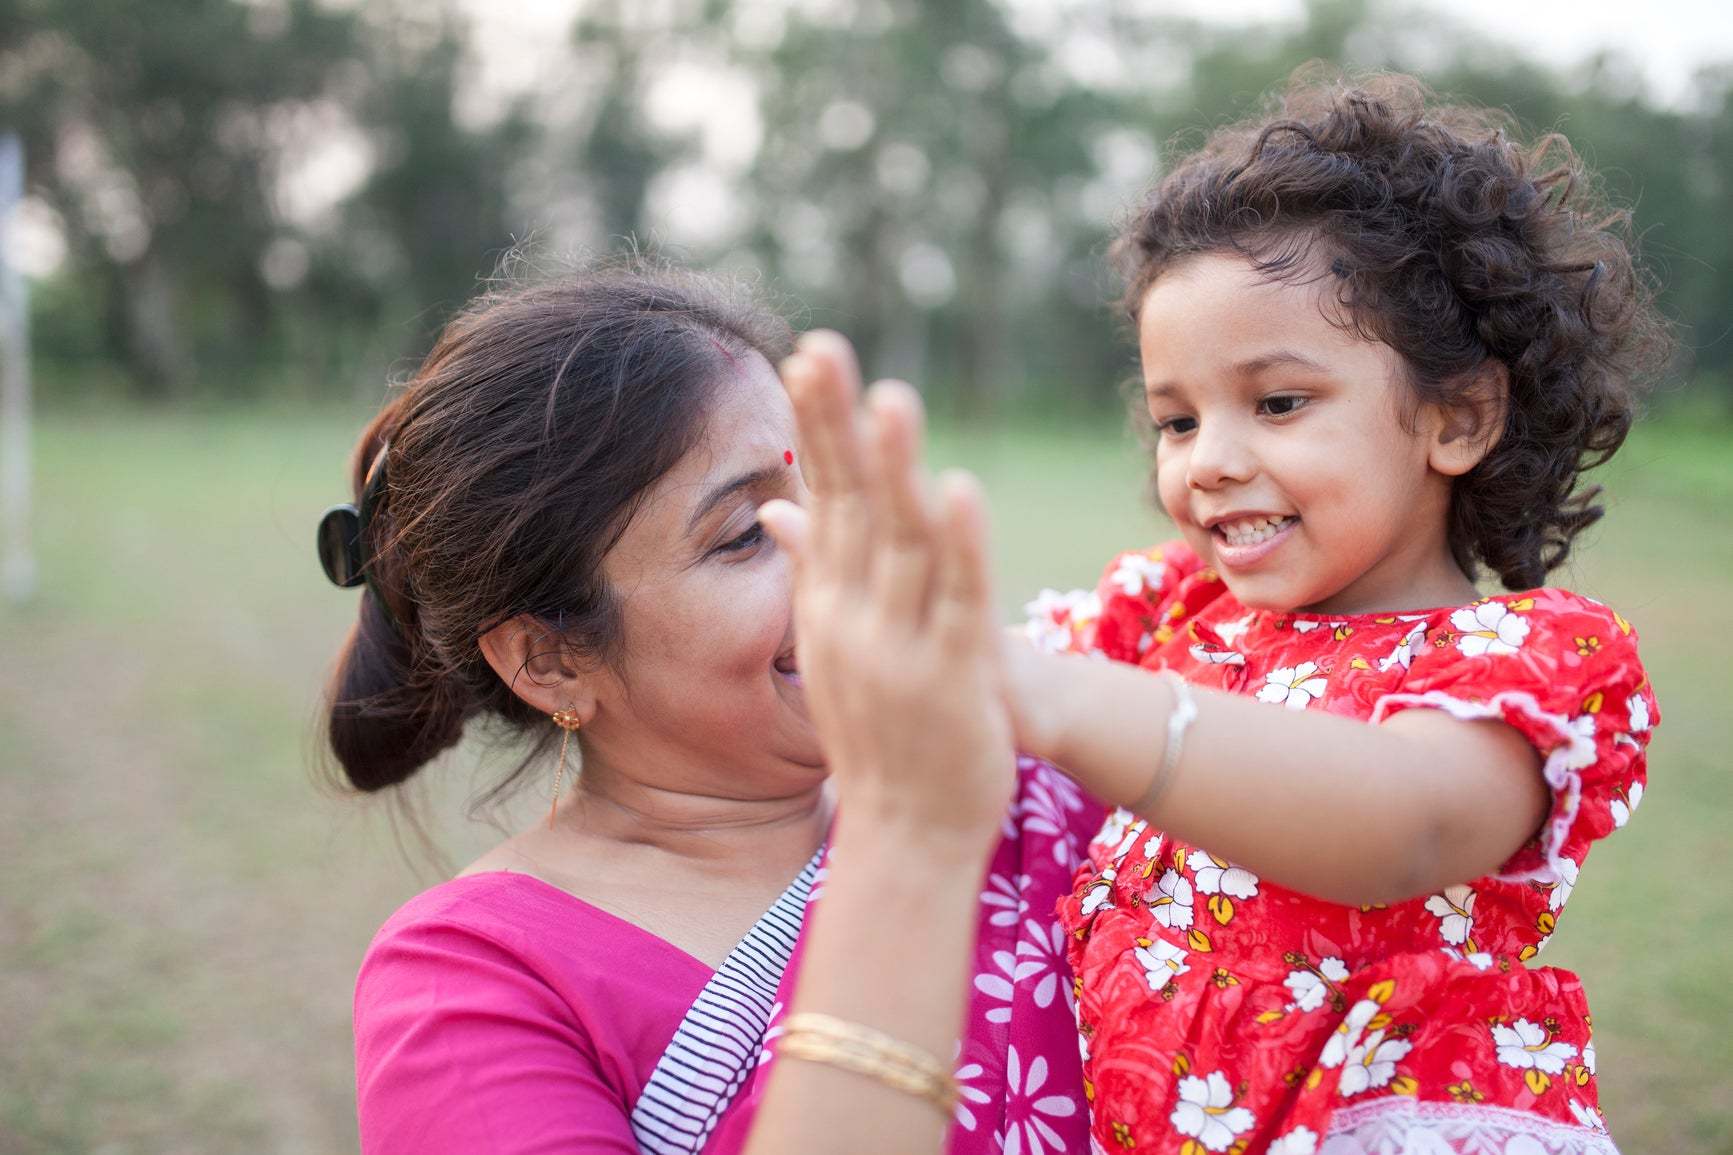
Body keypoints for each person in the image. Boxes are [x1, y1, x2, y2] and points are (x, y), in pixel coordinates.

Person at [761, 74, 1665, 1154]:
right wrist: (875, 623)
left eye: (1277, 403)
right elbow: (963, 674)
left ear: (1455, 417)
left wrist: (1056, 694)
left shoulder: (1517, 662)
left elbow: (1397, 826)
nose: (1212, 464)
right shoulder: (1175, 612)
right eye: (1176, 420)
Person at [320, 265, 1098, 1154]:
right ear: (551, 660)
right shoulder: (472, 983)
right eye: (745, 535)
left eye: (830, 493)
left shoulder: (1032, 782)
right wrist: (910, 840)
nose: (846, 558)